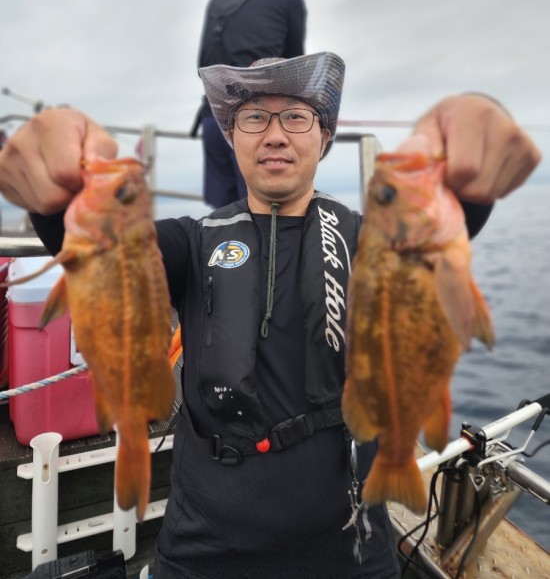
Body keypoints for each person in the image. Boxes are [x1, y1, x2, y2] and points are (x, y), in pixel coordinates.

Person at [0, 53, 541, 579]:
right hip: (200, 551)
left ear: (324, 137)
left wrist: (472, 163)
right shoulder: (192, 241)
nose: (275, 135)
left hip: (350, 553)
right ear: (232, 137)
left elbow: (446, 225)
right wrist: (53, 195)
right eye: (255, 117)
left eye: (296, 117)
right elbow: (93, 245)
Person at [195, 0, 307, 208]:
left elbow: (202, 63)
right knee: (263, 215)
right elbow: (295, 66)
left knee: (222, 218)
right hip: (256, 122)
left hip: (213, 117)